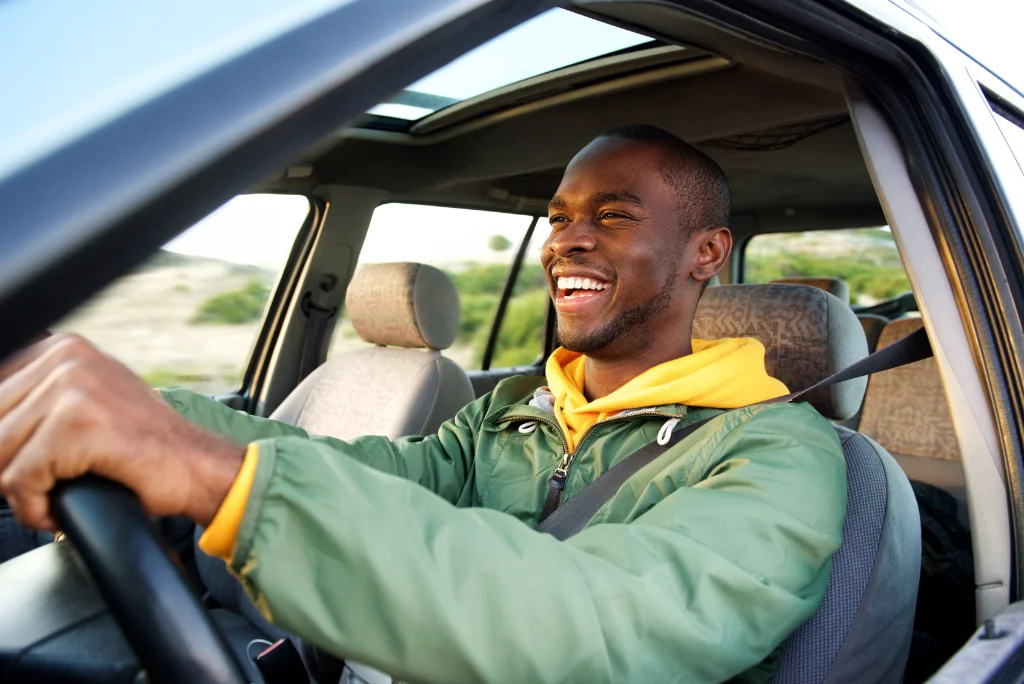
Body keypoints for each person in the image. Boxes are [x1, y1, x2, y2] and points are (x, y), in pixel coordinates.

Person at [0, 124, 846, 683]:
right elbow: (369, 472)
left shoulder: (777, 455)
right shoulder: (515, 409)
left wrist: (219, 481)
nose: (568, 240)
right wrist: (151, 415)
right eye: (558, 218)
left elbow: (598, 624)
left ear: (707, 252)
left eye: (614, 215)